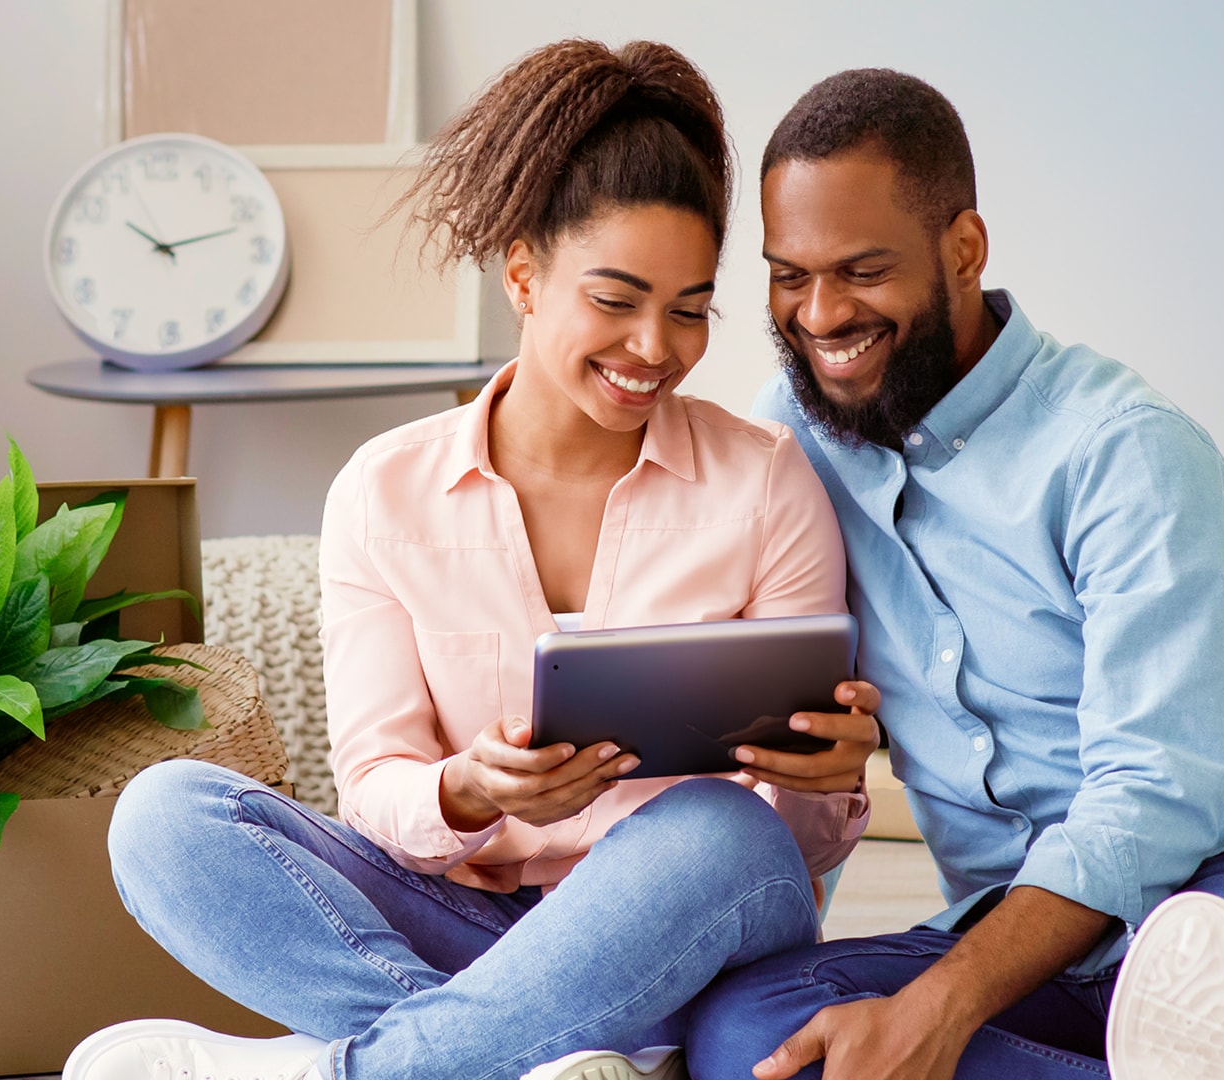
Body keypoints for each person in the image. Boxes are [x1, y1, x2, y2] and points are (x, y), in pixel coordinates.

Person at [63, 40, 879, 1080]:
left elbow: (790, 855)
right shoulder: (383, 489)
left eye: (688, 311)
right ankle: (529, 1057)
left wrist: (827, 780)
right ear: (526, 275)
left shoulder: (764, 481)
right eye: (616, 299)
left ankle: (340, 1070)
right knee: (165, 818)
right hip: (458, 925)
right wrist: (470, 791)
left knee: (724, 830)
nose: (653, 348)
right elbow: (375, 790)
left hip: (679, 947)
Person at [685, 69, 1224, 1080]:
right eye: (788, 274)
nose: (819, 317)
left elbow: (1156, 795)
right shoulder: (792, 441)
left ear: (964, 250)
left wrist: (941, 1010)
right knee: (744, 1035)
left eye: (861, 270)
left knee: (1194, 1018)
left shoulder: (1124, 450)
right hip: (1023, 931)